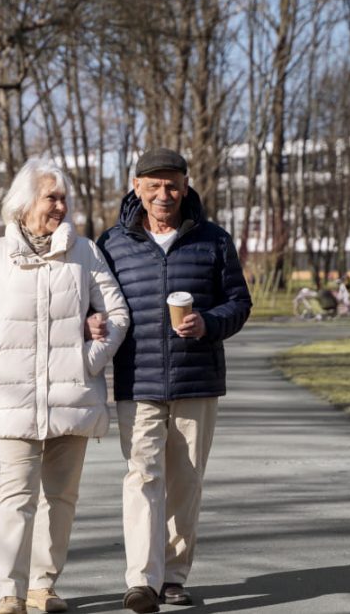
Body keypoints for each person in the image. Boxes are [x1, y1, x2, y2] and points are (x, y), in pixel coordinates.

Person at [0, 161, 130, 614]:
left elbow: (117, 315)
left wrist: (89, 359)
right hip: (12, 396)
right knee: (15, 496)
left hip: (72, 397)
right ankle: (9, 594)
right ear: (24, 202)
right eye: (51, 197)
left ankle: (42, 587)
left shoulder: (85, 252)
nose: (60, 205)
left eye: (63, 198)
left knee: (61, 499)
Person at [97, 148, 252, 613]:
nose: (164, 194)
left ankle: (174, 576)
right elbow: (96, 303)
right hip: (137, 380)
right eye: (154, 185)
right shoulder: (113, 243)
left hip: (196, 381)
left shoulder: (214, 240)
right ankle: (142, 580)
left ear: (186, 185)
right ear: (137, 186)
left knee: (185, 481)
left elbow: (239, 303)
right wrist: (92, 323)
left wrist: (208, 322)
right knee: (142, 477)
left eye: (172, 184)